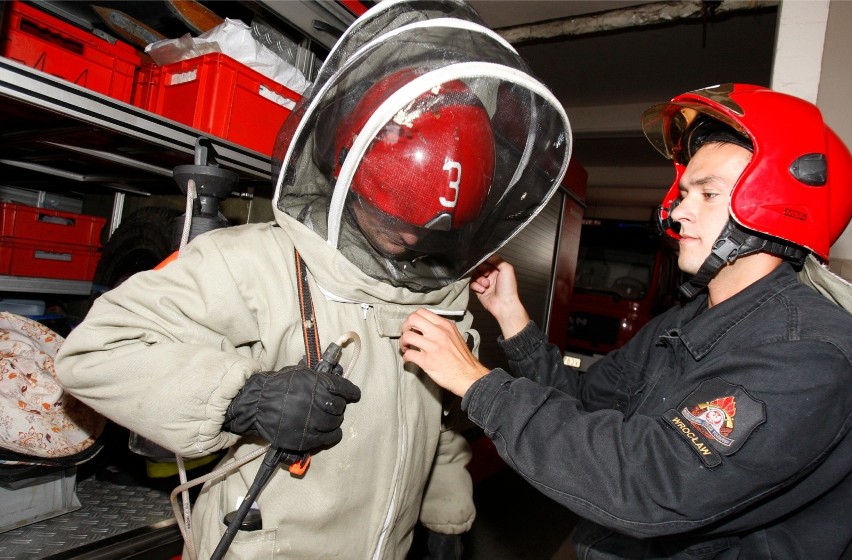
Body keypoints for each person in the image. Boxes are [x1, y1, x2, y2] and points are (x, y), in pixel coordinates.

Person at [53, 1, 573, 558]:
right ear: (347, 165)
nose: (411, 241)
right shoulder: (251, 262)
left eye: (427, 230)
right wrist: (243, 399)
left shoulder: (440, 295)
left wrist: (447, 512)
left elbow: (440, 417)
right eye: (395, 218)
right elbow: (94, 353)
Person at [400, 83, 852, 558]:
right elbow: (579, 400)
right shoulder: (683, 323)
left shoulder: (809, 354)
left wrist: (477, 383)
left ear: (781, 207)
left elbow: (647, 483)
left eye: (708, 194)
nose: (679, 210)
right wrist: (510, 314)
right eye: (683, 192)